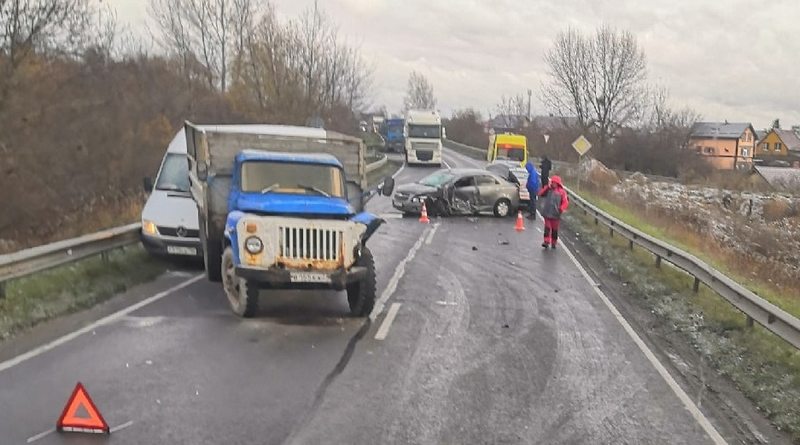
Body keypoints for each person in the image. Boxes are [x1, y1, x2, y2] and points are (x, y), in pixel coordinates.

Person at [537, 175, 569, 249]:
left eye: (554, 183)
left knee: (554, 229)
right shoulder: (548, 189)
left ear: (558, 183)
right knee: (547, 227)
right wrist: (547, 187)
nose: (553, 184)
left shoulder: (562, 192)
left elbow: (565, 202)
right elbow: (540, 193)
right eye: (552, 182)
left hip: (556, 213)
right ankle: (546, 241)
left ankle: (554, 242)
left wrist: (561, 208)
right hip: (547, 212)